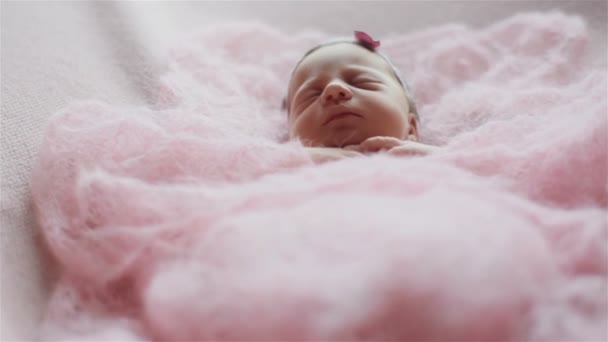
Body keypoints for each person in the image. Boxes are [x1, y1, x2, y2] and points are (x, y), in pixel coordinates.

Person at [284, 31, 438, 163]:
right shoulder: (282, 168)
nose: (333, 89)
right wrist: (299, 159)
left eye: (363, 82)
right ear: (290, 137)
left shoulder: (434, 160)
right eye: (312, 94)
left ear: (411, 129)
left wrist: (433, 157)